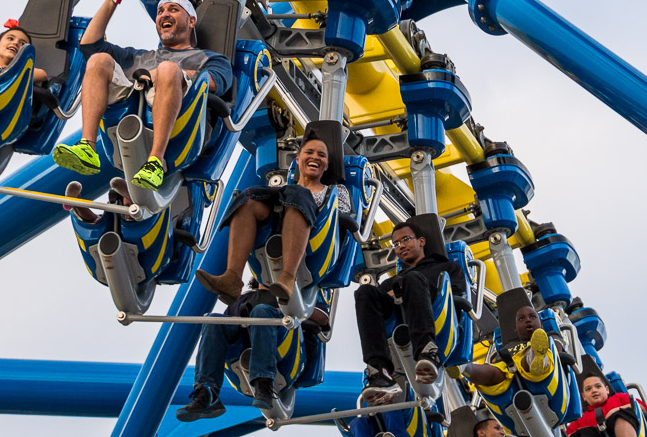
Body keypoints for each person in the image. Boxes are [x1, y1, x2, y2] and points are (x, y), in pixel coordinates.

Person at [51, 0, 232, 189]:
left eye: (173, 9)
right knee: (99, 60)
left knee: (168, 70)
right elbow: (89, 45)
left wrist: (160, 74)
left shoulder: (208, 58)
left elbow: (216, 83)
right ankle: (87, 147)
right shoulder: (139, 57)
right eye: (161, 11)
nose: (165, 14)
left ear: (191, 21)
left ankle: (155, 161)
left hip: (182, 122)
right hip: (129, 106)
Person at [195, 135, 352, 306]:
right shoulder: (285, 191)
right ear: (298, 159)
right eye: (309, 152)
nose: (315, 157)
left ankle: (288, 277)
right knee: (248, 199)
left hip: (316, 241)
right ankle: (232, 278)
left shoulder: (336, 191)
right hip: (274, 232)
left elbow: (341, 221)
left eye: (321, 155)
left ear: (327, 165)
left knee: (298, 195)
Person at [357, 219, 467, 405]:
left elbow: (456, 297)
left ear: (421, 241)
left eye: (406, 239)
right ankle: (379, 370)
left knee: (412, 279)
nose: (401, 246)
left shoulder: (447, 268)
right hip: (399, 328)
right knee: (365, 292)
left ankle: (428, 350)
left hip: (439, 324)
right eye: (396, 244)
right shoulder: (389, 283)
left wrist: (409, 287)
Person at [177, 289, 313, 418]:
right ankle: (206, 392)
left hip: (283, 348)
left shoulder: (297, 298)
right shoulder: (241, 299)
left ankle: (264, 383)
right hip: (243, 347)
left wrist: (293, 313)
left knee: (261, 311)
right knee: (213, 320)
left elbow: (319, 317)